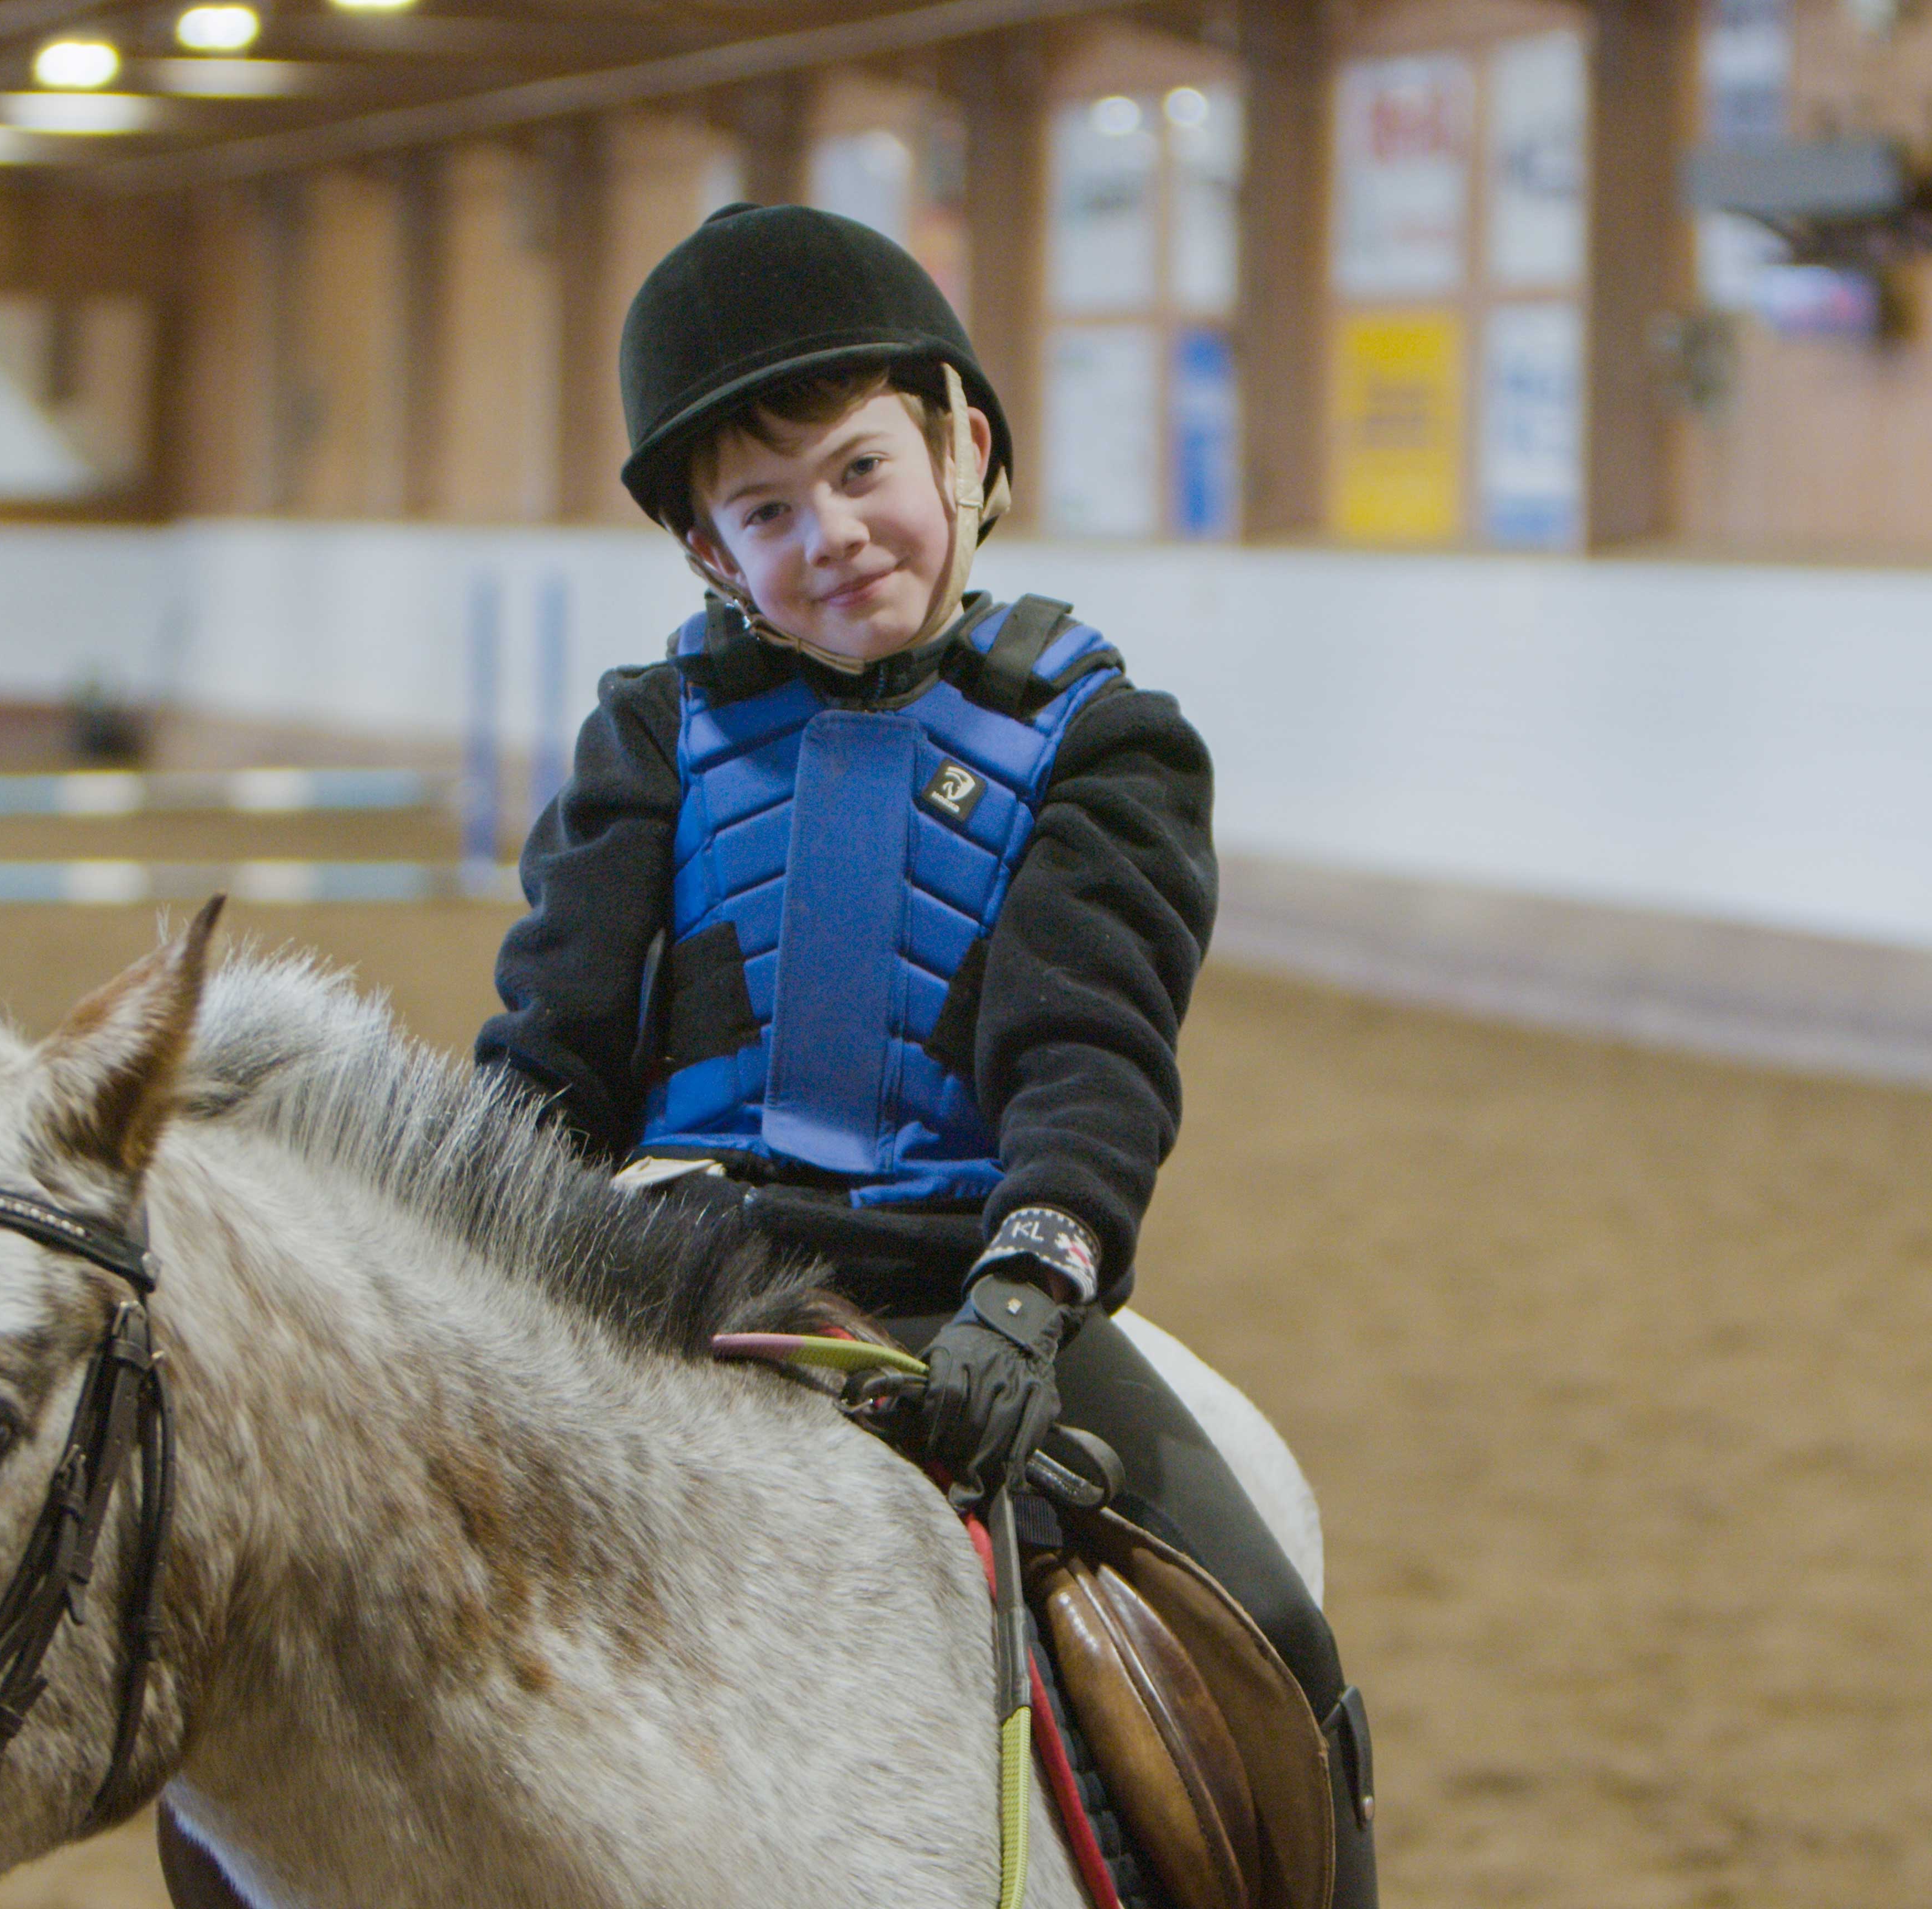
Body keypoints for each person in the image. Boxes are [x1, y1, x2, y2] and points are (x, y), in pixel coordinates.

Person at [474, 202, 1374, 1907]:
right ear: (710, 558)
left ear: (962, 443)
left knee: (1261, 1624)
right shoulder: (651, 738)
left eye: (859, 469)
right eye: (766, 511)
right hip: (678, 1269)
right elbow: (551, 1046)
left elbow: (1088, 1047)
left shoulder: (1103, 745)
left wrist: (1034, 1288)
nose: (833, 535)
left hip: (969, 1299)